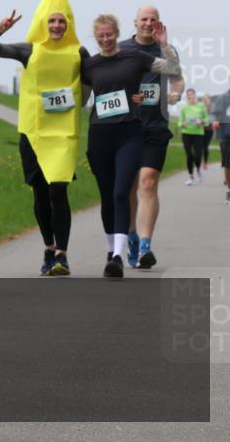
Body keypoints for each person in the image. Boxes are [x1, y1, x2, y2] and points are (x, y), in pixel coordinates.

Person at [0, 0, 89, 277]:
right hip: (33, 132)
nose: (57, 26)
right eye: (52, 21)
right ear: (42, 23)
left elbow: (95, 80)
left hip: (63, 133)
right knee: (40, 193)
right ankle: (49, 247)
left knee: (58, 189)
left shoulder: (79, 52)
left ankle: (62, 255)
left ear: (69, 23)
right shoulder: (29, 50)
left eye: (61, 21)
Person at [82, 14, 181, 278]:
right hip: (100, 135)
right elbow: (81, 100)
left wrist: (165, 45)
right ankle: (111, 249)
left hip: (129, 133)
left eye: (109, 34)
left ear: (117, 33)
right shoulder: (89, 66)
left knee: (121, 192)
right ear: (95, 37)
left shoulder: (135, 57)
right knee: (107, 197)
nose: (105, 39)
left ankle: (118, 255)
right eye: (101, 36)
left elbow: (172, 70)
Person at [119, 6, 184, 269]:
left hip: (155, 126)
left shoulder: (166, 50)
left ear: (159, 23)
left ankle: (145, 245)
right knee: (129, 187)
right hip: (127, 126)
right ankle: (132, 236)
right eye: (144, 19)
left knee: (148, 183)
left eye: (153, 19)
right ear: (135, 22)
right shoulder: (122, 49)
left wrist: (176, 93)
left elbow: (177, 79)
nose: (148, 23)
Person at [178, 89, 210, 185]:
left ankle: (198, 170)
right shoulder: (184, 107)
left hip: (198, 134)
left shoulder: (201, 106)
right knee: (189, 156)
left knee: (197, 156)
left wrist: (201, 121)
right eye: (188, 95)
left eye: (191, 94)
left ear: (195, 95)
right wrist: (182, 124)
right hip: (186, 133)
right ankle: (191, 176)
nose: (190, 96)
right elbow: (179, 121)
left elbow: (207, 120)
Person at [211, 87, 230, 204]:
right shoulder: (223, 98)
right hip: (226, 136)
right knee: (228, 165)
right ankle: (229, 190)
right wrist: (215, 121)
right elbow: (214, 115)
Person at [202, 94, 215, 171]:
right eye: (204, 99)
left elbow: (213, 119)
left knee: (205, 146)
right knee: (199, 146)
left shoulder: (212, 109)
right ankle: (200, 161)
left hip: (209, 130)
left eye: (207, 99)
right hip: (200, 130)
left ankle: (205, 162)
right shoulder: (199, 107)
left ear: (209, 100)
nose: (205, 100)